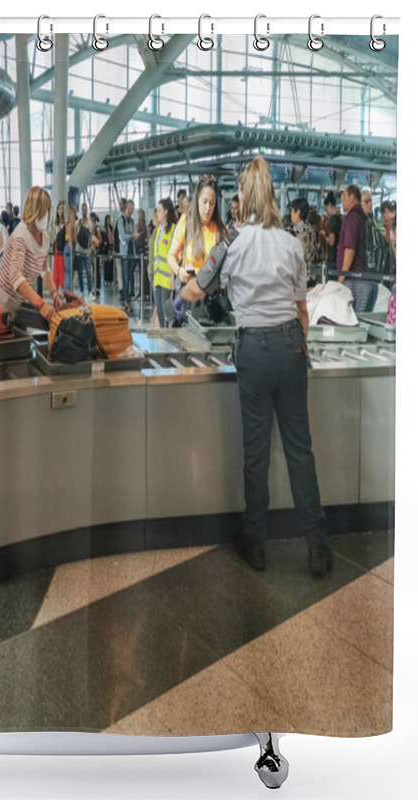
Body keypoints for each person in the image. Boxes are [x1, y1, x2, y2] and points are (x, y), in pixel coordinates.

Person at [180, 156, 332, 576]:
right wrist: (300, 350)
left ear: (244, 196)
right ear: (274, 196)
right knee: (301, 450)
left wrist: (182, 285)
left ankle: (256, 544)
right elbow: (303, 310)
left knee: (256, 452)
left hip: (253, 350)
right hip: (290, 345)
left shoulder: (234, 243)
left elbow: (197, 290)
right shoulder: (290, 243)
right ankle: (317, 546)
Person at [0, 186, 61, 323]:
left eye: (47, 210)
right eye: (42, 210)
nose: (45, 215)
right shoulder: (21, 235)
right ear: (33, 210)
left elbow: (45, 269)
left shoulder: (44, 237)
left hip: (17, 303)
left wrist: (54, 293)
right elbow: (15, 275)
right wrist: (41, 304)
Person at [167, 174, 225, 325]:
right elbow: (171, 256)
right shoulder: (186, 222)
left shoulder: (219, 230)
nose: (208, 208)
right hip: (189, 298)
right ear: (197, 199)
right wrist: (180, 272)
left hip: (210, 303)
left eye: (212, 203)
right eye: (204, 202)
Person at [150, 198, 178, 328]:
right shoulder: (159, 230)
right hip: (157, 278)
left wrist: (173, 276)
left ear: (166, 212)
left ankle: (168, 336)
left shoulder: (173, 230)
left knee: (166, 312)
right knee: (160, 312)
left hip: (167, 279)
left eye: (160, 211)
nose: (158, 213)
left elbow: (176, 255)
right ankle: (162, 335)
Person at [117, 199, 135, 312]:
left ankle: (124, 298)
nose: (131, 211)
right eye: (130, 209)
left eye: (133, 209)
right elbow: (123, 236)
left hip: (131, 251)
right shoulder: (121, 220)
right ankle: (125, 299)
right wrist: (132, 235)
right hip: (124, 253)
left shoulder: (131, 221)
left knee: (129, 276)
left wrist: (133, 235)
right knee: (125, 277)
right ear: (127, 208)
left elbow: (131, 234)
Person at [288, 197, 317, 266]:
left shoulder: (297, 232)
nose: (290, 214)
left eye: (291, 211)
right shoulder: (310, 229)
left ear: (298, 212)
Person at [73, 202, 94, 298]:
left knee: (88, 271)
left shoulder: (90, 223)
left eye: (85, 209)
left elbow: (91, 236)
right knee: (80, 272)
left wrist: (91, 245)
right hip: (79, 249)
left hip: (87, 250)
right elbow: (74, 234)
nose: (84, 211)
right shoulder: (77, 223)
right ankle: (81, 291)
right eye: (83, 209)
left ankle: (90, 291)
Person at [323, 191, 342, 269]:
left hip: (332, 257)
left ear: (330, 205)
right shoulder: (340, 217)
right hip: (338, 256)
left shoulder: (332, 220)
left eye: (326, 208)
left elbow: (331, 242)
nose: (326, 211)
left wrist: (324, 235)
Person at [51, 201, 67, 290]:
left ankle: (62, 284)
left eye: (62, 209)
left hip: (63, 247)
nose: (61, 211)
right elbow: (54, 235)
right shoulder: (55, 223)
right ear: (57, 210)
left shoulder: (64, 223)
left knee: (62, 266)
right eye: (59, 209)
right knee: (56, 266)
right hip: (57, 246)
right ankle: (56, 284)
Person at [135, 208, 150, 301]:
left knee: (142, 272)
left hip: (140, 250)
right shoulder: (146, 226)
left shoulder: (139, 226)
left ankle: (143, 291)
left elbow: (137, 237)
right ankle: (145, 291)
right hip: (143, 250)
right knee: (144, 272)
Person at [64, 205, 78, 293]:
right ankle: (67, 291)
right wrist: (71, 249)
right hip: (69, 248)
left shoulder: (71, 225)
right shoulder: (69, 225)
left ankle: (69, 290)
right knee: (69, 272)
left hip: (70, 247)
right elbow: (69, 239)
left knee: (70, 272)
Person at [103, 213, 115, 287]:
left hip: (111, 247)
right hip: (107, 247)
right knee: (106, 264)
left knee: (111, 264)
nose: (108, 221)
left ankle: (111, 278)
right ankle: (106, 278)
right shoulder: (105, 229)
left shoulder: (111, 228)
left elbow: (112, 237)